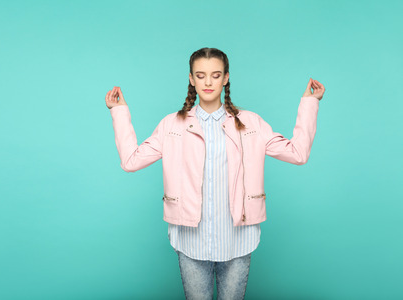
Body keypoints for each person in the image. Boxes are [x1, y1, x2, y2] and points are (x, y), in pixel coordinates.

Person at [105, 47, 325, 300]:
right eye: (200, 75)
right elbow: (131, 161)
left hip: (238, 239)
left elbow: (297, 153)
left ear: (226, 77)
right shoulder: (171, 125)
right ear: (191, 79)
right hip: (190, 240)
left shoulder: (251, 123)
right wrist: (118, 111)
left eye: (215, 75)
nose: (208, 82)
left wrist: (310, 104)